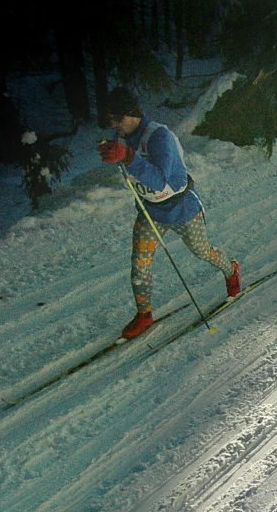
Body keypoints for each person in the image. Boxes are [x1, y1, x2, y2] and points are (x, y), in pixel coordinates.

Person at [97, 87, 240, 339]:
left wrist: (128, 157)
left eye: (117, 119)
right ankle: (144, 314)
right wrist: (115, 153)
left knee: (202, 251)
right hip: (150, 212)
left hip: (181, 207)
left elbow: (161, 180)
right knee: (139, 264)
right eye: (110, 120)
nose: (114, 125)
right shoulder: (122, 137)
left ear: (132, 115)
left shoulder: (159, 136)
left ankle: (231, 270)